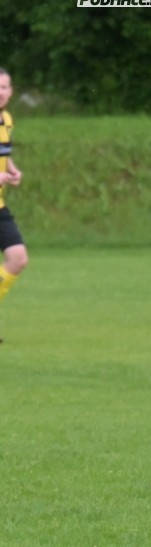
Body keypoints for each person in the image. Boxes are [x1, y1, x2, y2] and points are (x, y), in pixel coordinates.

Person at [0, 68, 28, 344]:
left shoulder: (6, 119)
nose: (0, 92)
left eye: (4, 87)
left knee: (18, 258)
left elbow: (3, 153)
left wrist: (11, 169)